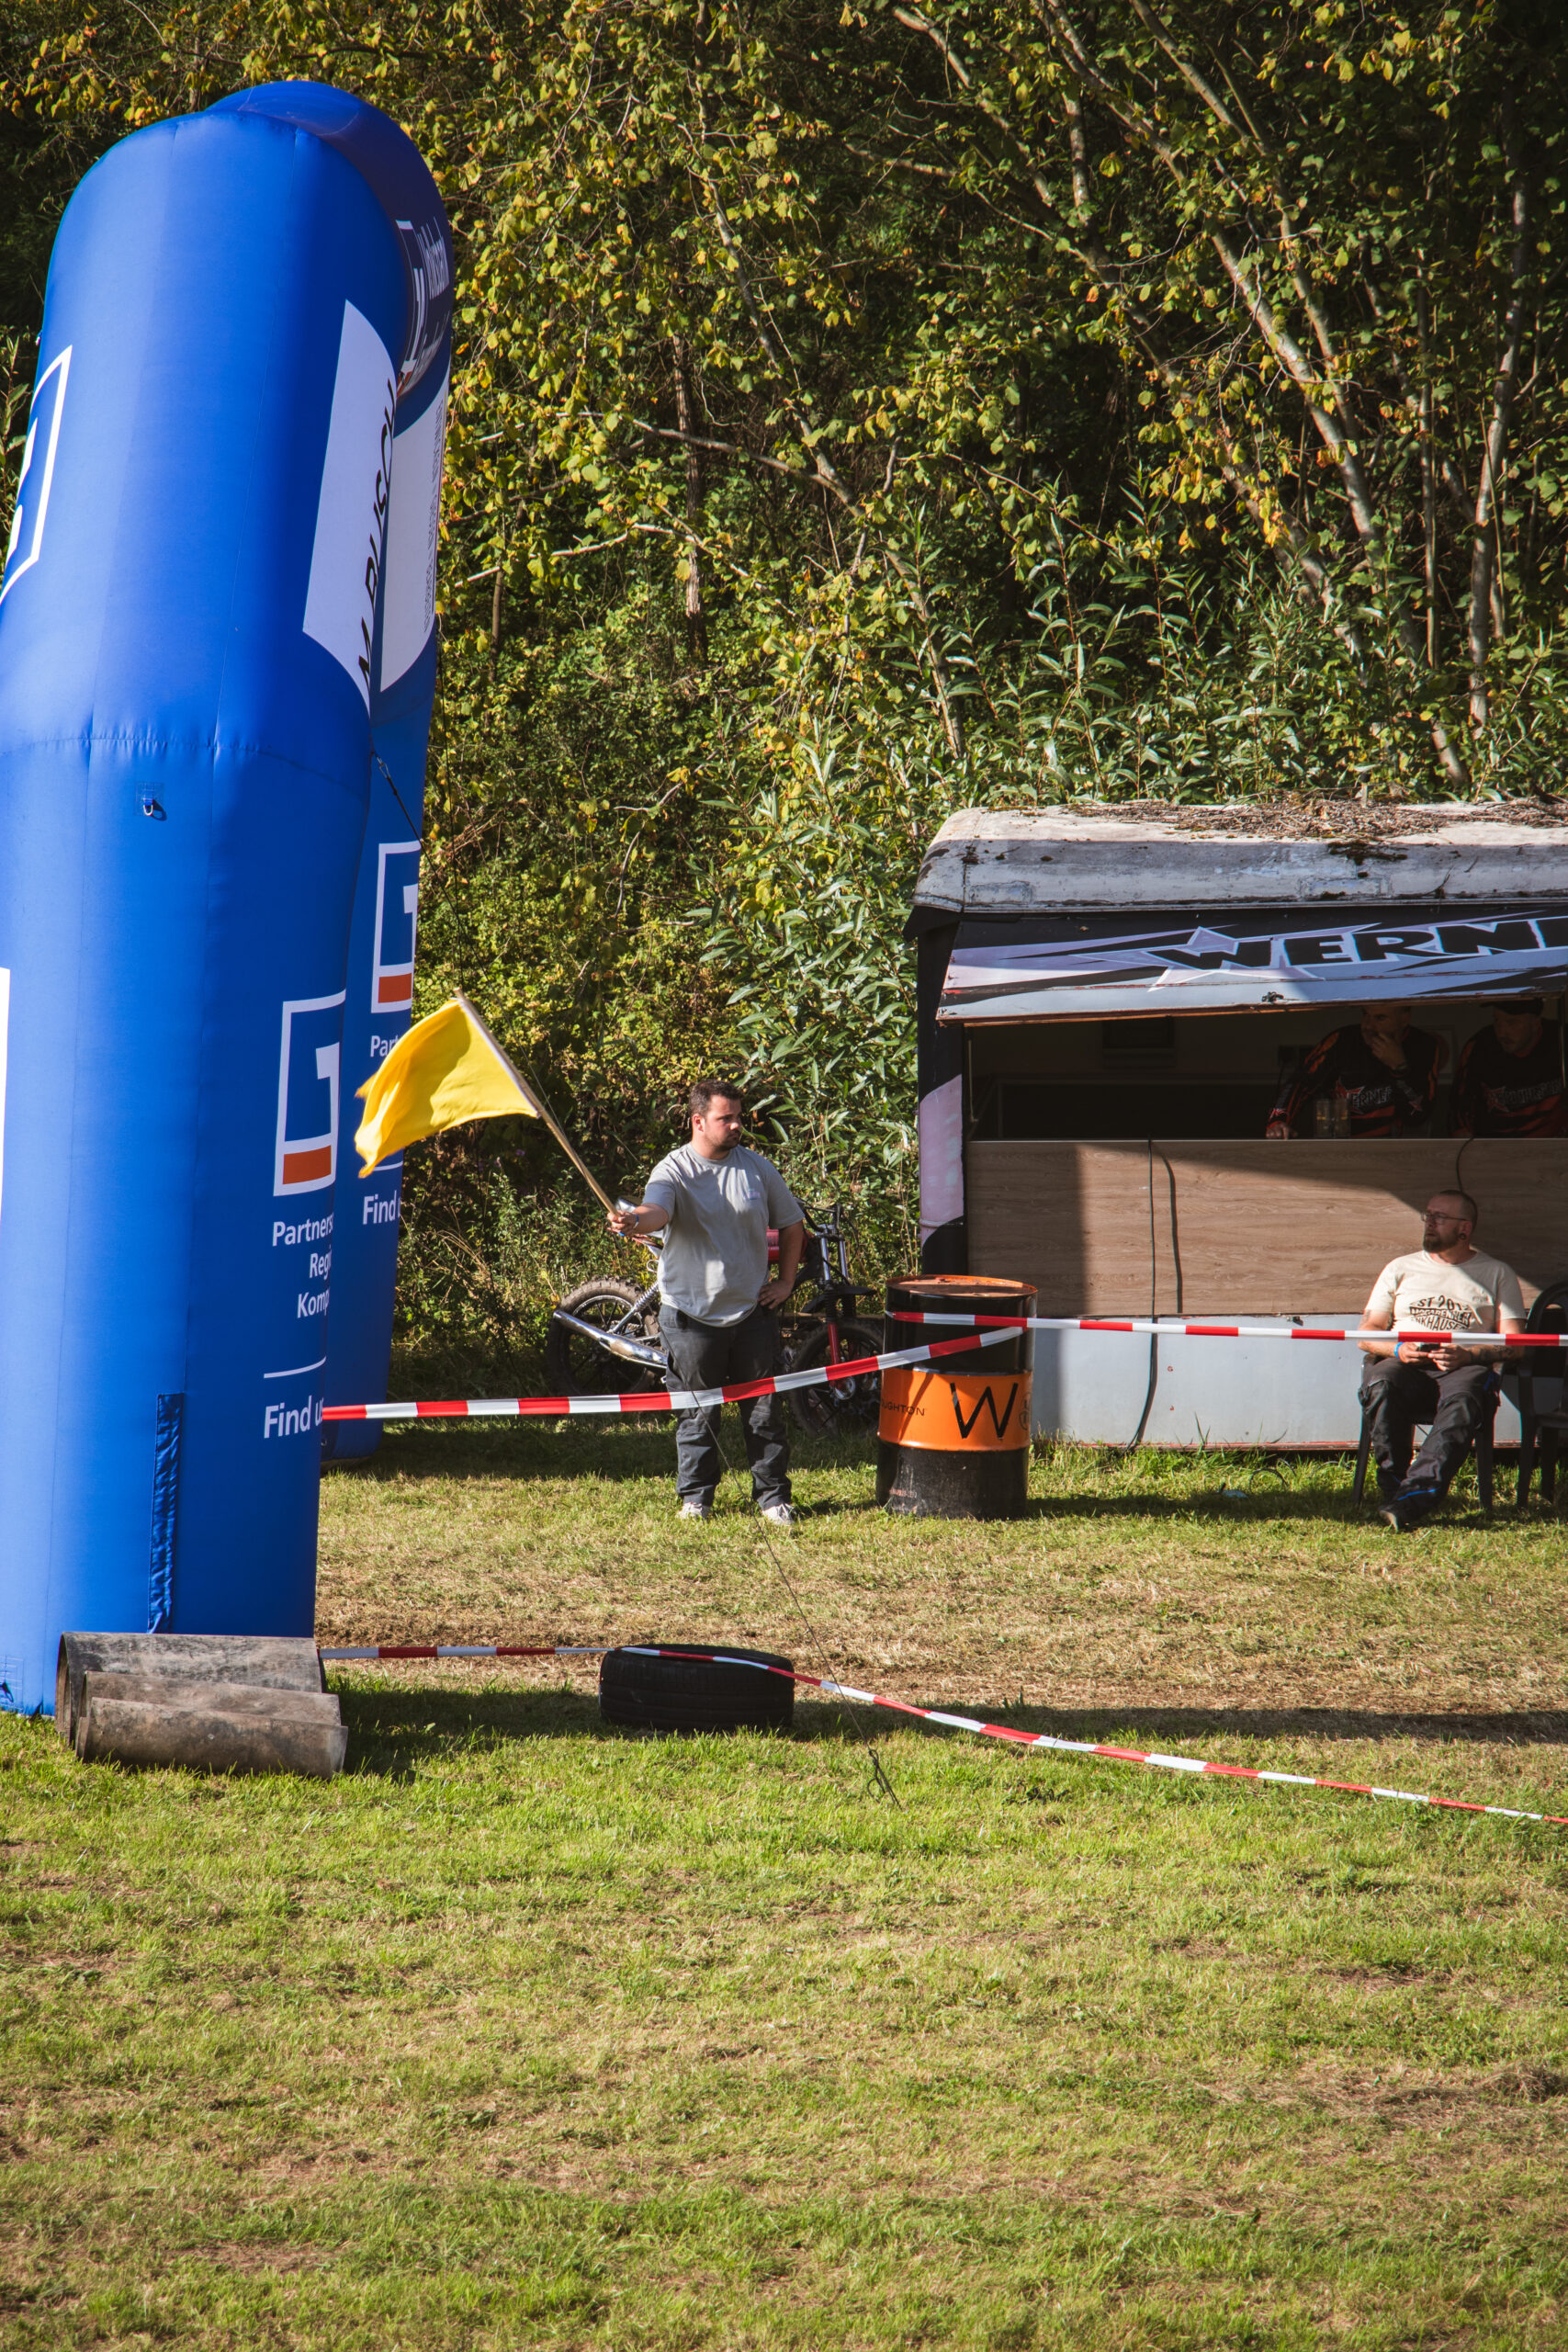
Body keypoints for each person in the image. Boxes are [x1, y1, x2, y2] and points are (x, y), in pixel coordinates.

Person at [609, 1080, 807, 1527]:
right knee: (697, 1415)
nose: (737, 1125)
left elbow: (793, 1225)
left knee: (764, 1414)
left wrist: (786, 1282)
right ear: (698, 1121)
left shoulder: (757, 1168)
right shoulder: (673, 1169)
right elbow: (656, 1211)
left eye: (739, 1116)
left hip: (752, 1314)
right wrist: (633, 1219)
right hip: (689, 1318)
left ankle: (774, 1499)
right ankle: (696, 1499)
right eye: (726, 1118)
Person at [1358, 1190, 1524, 1532]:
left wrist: (1469, 1354)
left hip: (1462, 1367)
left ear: (1465, 1228)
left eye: (1439, 1217)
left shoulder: (1497, 1273)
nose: (1429, 1222)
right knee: (1382, 1383)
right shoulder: (1400, 1268)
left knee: (1466, 1397)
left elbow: (1516, 1343)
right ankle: (1395, 1489)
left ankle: (1414, 1497)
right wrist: (1398, 1349)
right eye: (1428, 1215)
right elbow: (1366, 1333)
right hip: (1405, 1364)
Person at [1266, 1003, 1443, 1138]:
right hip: (1342, 1147)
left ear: (1404, 1019)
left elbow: (1417, 1117)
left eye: (1380, 1018)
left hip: (1396, 1151)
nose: (1368, 1026)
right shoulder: (1342, 1040)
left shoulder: (1423, 1045)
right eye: (1365, 1015)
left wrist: (1399, 1068)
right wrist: (1279, 1121)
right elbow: (1300, 1081)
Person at [1451, 998, 1567, 1136]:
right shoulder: (1480, 1046)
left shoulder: (1560, 1039)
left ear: (1535, 1023)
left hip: (1551, 1143)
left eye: (1512, 1022)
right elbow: (1460, 1108)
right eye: (1497, 1021)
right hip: (1493, 1144)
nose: (1502, 1032)